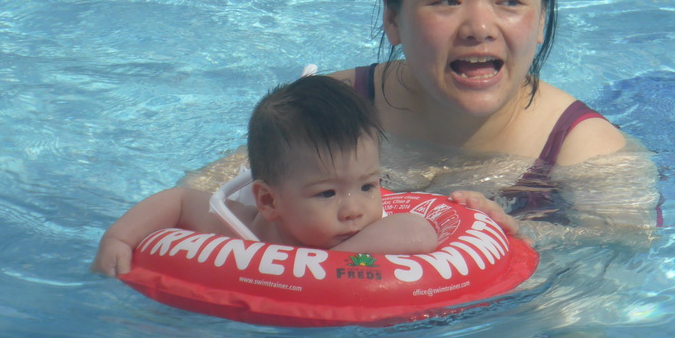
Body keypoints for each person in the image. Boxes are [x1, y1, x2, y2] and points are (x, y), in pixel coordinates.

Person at [322, 0, 658, 234]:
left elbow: (616, 272)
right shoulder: (326, 115)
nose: (479, 28)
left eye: (509, 1)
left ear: (543, 16)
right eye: (447, 0)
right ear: (393, 17)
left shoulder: (590, 156)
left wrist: (524, 238)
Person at [92, 76, 504, 277]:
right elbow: (178, 200)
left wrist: (329, 264)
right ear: (269, 202)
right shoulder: (240, 232)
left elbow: (419, 234)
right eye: (327, 194)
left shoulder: (371, 231)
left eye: (367, 186)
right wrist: (119, 238)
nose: (354, 210)